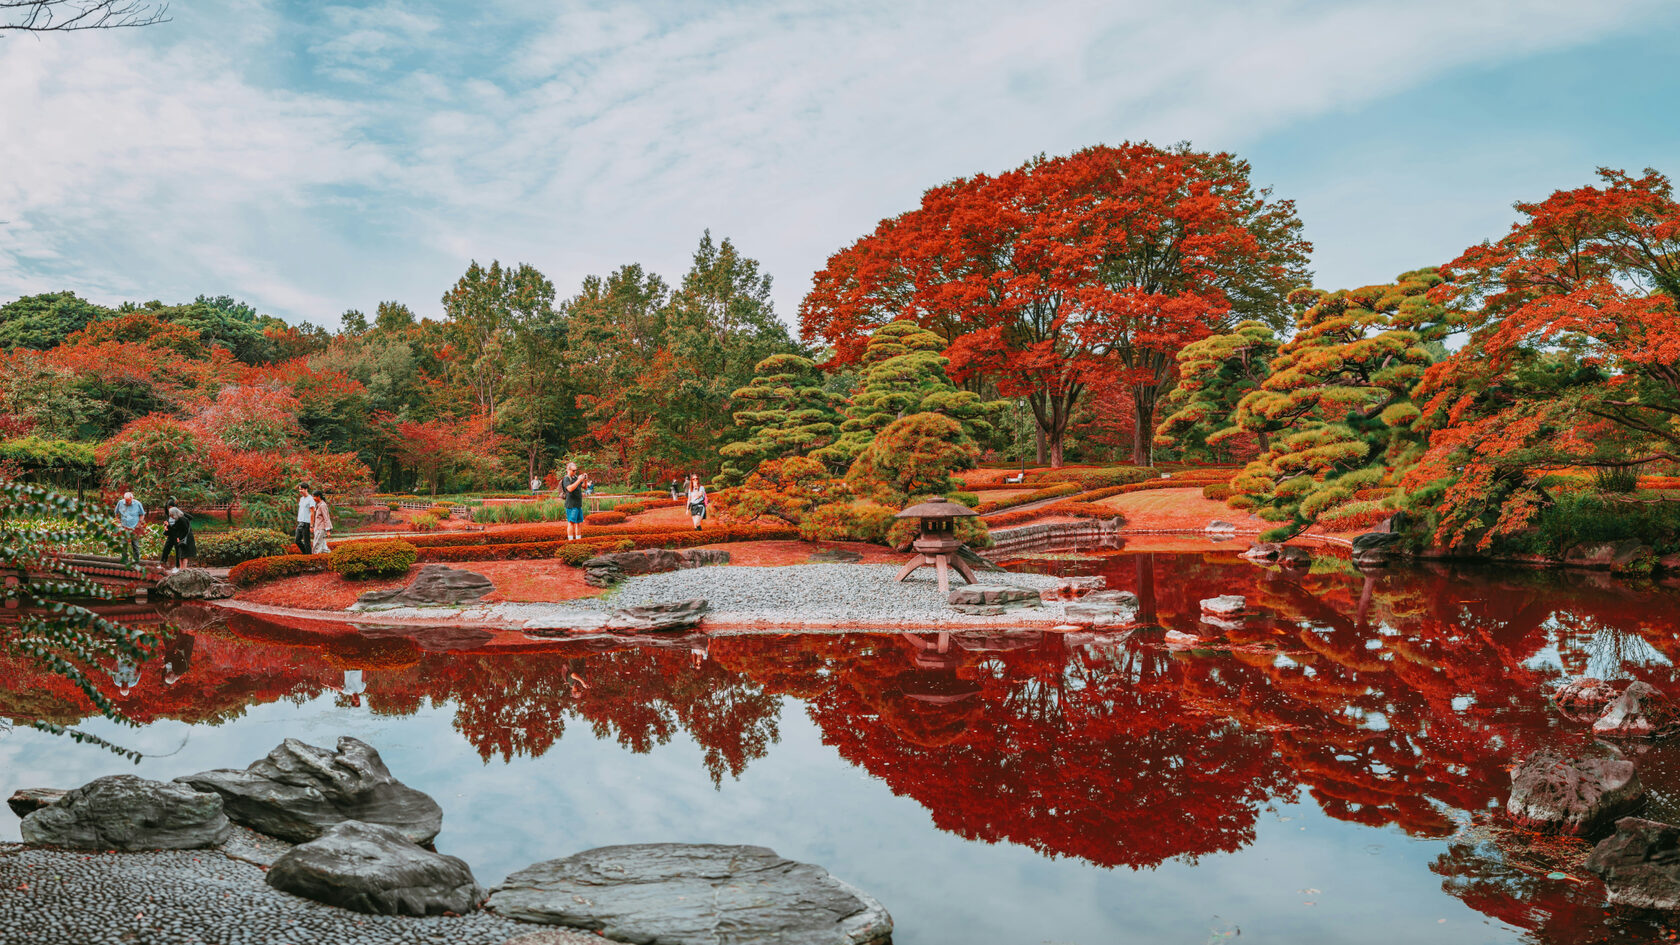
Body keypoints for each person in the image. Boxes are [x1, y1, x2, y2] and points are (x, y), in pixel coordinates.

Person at [160, 506, 195, 572]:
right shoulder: (178, 519)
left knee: (184, 555)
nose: (171, 516)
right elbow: (174, 529)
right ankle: (181, 569)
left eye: (171, 515)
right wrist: (167, 526)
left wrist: (179, 538)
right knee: (180, 554)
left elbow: (185, 530)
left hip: (185, 539)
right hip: (179, 538)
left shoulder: (182, 519)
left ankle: (183, 569)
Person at [559, 461, 588, 541]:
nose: (575, 472)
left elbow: (584, 487)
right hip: (571, 504)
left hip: (578, 504)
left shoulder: (575, 478)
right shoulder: (566, 479)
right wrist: (579, 480)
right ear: (568, 470)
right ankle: (570, 540)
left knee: (579, 522)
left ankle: (578, 539)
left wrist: (585, 480)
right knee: (571, 522)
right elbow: (570, 489)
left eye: (575, 470)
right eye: (573, 470)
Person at [113, 492, 145, 563]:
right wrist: (119, 523)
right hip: (124, 528)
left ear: (132, 499)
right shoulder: (120, 503)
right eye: (126, 501)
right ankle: (125, 561)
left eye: (128, 501)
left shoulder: (137, 504)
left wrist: (139, 524)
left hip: (135, 528)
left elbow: (142, 515)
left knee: (135, 546)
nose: (127, 503)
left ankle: (136, 562)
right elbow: (116, 513)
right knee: (124, 545)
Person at [293, 483, 316, 554]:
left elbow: (312, 513)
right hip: (300, 522)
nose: (300, 491)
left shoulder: (311, 499)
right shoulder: (301, 499)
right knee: (297, 540)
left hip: (307, 523)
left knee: (307, 542)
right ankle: (305, 554)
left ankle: (309, 556)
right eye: (299, 489)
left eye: (302, 489)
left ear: (306, 489)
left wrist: (311, 525)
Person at [310, 490, 333, 554]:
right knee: (323, 547)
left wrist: (328, 530)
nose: (313, 498)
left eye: (314, 497)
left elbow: (326, 518)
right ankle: (333, 556)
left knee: (316, 545)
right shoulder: (318, 505)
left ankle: (315, 559)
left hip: (321, 529)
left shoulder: (322, 505)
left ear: (318, 496)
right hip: (317, 528)